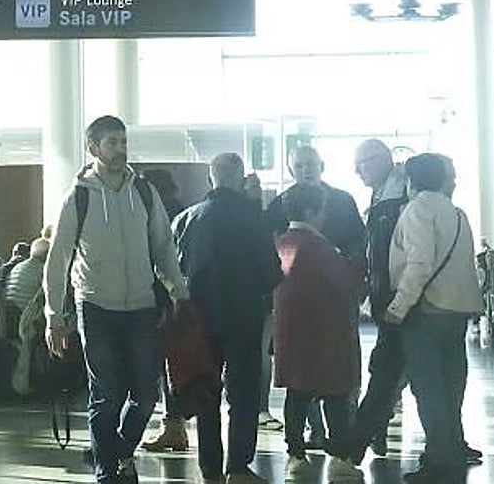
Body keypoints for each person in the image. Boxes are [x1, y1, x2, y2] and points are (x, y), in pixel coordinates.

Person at [43, 115, 188, 484]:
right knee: (105, 395)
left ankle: (118, 451)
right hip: (94, 305)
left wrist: (178, 291)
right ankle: (108, 472)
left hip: (140, 306)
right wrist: (54, 316)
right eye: (112, 142)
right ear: (93, 148)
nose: (121, 149)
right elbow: (57, 259)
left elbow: (163, 247)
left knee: (145, 395)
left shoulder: (144, 192)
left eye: (123, 141)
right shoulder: (78, 196)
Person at [173, 152, 281, 484]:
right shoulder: (254, 219)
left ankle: (209, 468)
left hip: (200, 319)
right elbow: (270, 274)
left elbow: (173, 268)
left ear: (211, 178)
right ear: (240, 178)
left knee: (206, 389)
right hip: (244, 317)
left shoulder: (188, 219)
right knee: (243, 393)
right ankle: (238, 467)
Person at [382, 154, 481, 484]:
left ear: (411, 181)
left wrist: (398, 306)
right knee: (452, 387)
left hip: (426, 311)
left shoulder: (417, 210)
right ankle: (452, 450)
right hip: (457, 311)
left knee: (429, 390)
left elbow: (419, 263)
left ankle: (439, 462)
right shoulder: (457, 213)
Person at [264, 145, 366, 447]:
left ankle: (298, 446)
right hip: (325, 308)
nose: (305, 170)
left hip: (296, 313)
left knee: (300, 383)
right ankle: (334, 442)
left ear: (321, 165)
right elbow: (350, 269)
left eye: (310, 164)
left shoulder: (340, 201)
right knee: (332, 377)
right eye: (299, 165)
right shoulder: (313, 240)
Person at [343, 138, 409, 463]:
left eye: (362, 163)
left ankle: (358, 440)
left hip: (400, 298)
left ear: (382, 159)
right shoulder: (383, 194)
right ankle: (368, 436)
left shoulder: (399, 194)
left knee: (386, 371)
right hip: (390, 298)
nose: (357, 172)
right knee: (395, 372)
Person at [140, 167, 191, 453]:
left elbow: (159, 262)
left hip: (161, 300)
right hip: (182, 298)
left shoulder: (156, 215)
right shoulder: (184, 212)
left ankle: (172, 426)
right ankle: (175, 426)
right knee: (175, 364)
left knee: (162, 366)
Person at [475, 244, 494, 347]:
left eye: (491, 258)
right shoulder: (483, 273)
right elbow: (480, 288)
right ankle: (488, 323)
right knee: (487, 297)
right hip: (486, 299)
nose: (489, 260)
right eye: (488, 258)